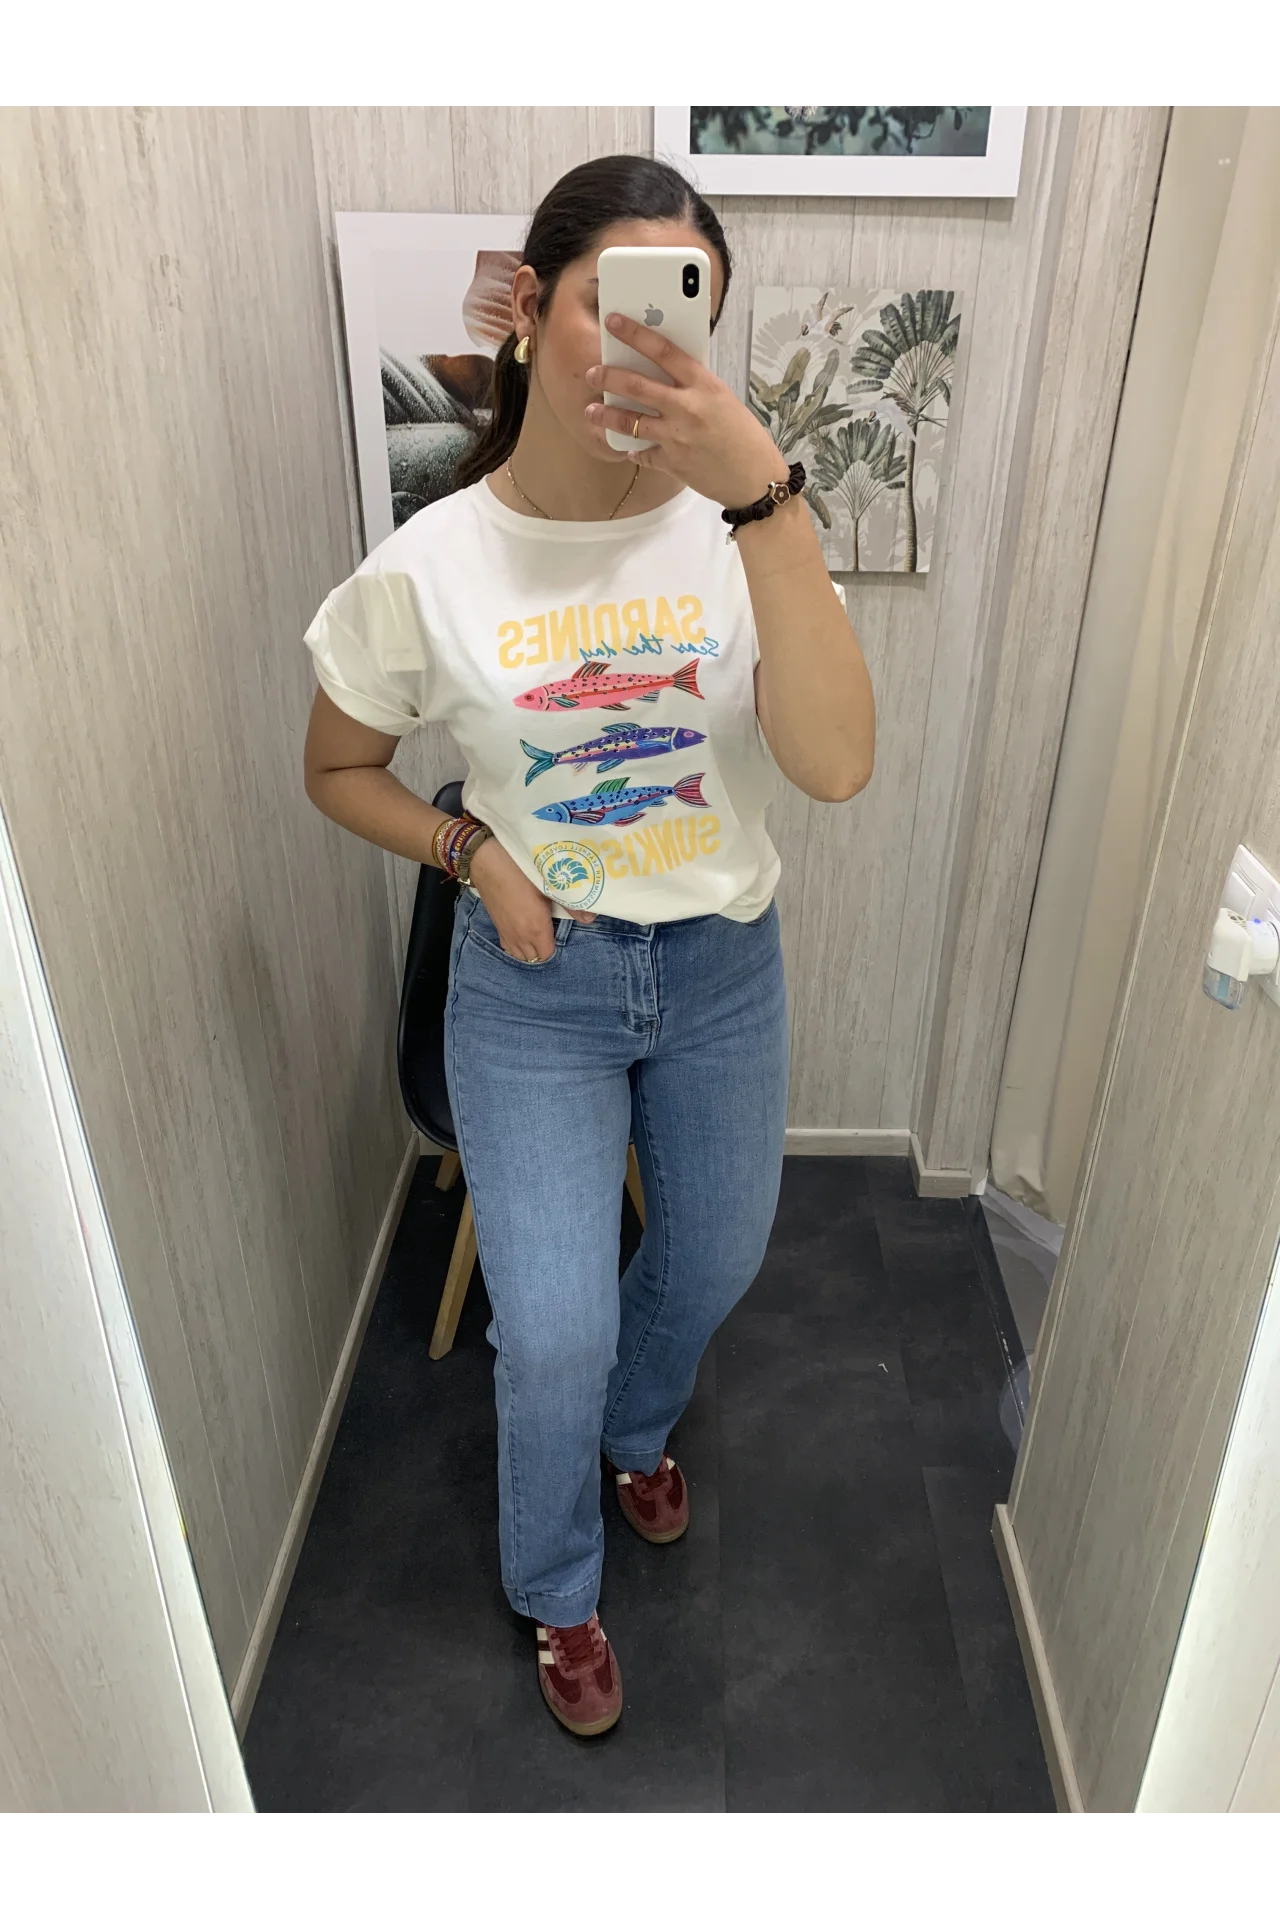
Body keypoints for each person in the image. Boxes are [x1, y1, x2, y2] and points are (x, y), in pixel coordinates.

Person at [302, 154, 875, 1738]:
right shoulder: (430, 566)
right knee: (550, 1329)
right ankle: (558, 1586)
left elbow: (835, 768)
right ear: (526, 308)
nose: (642, 347)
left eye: (680, 312)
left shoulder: (742, 531)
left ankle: (638, 1434)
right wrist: (472, 853)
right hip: (535, 983)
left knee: (716, 1260)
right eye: (607, 304)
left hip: (719, 968)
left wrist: (769, 498)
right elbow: (338, 768)